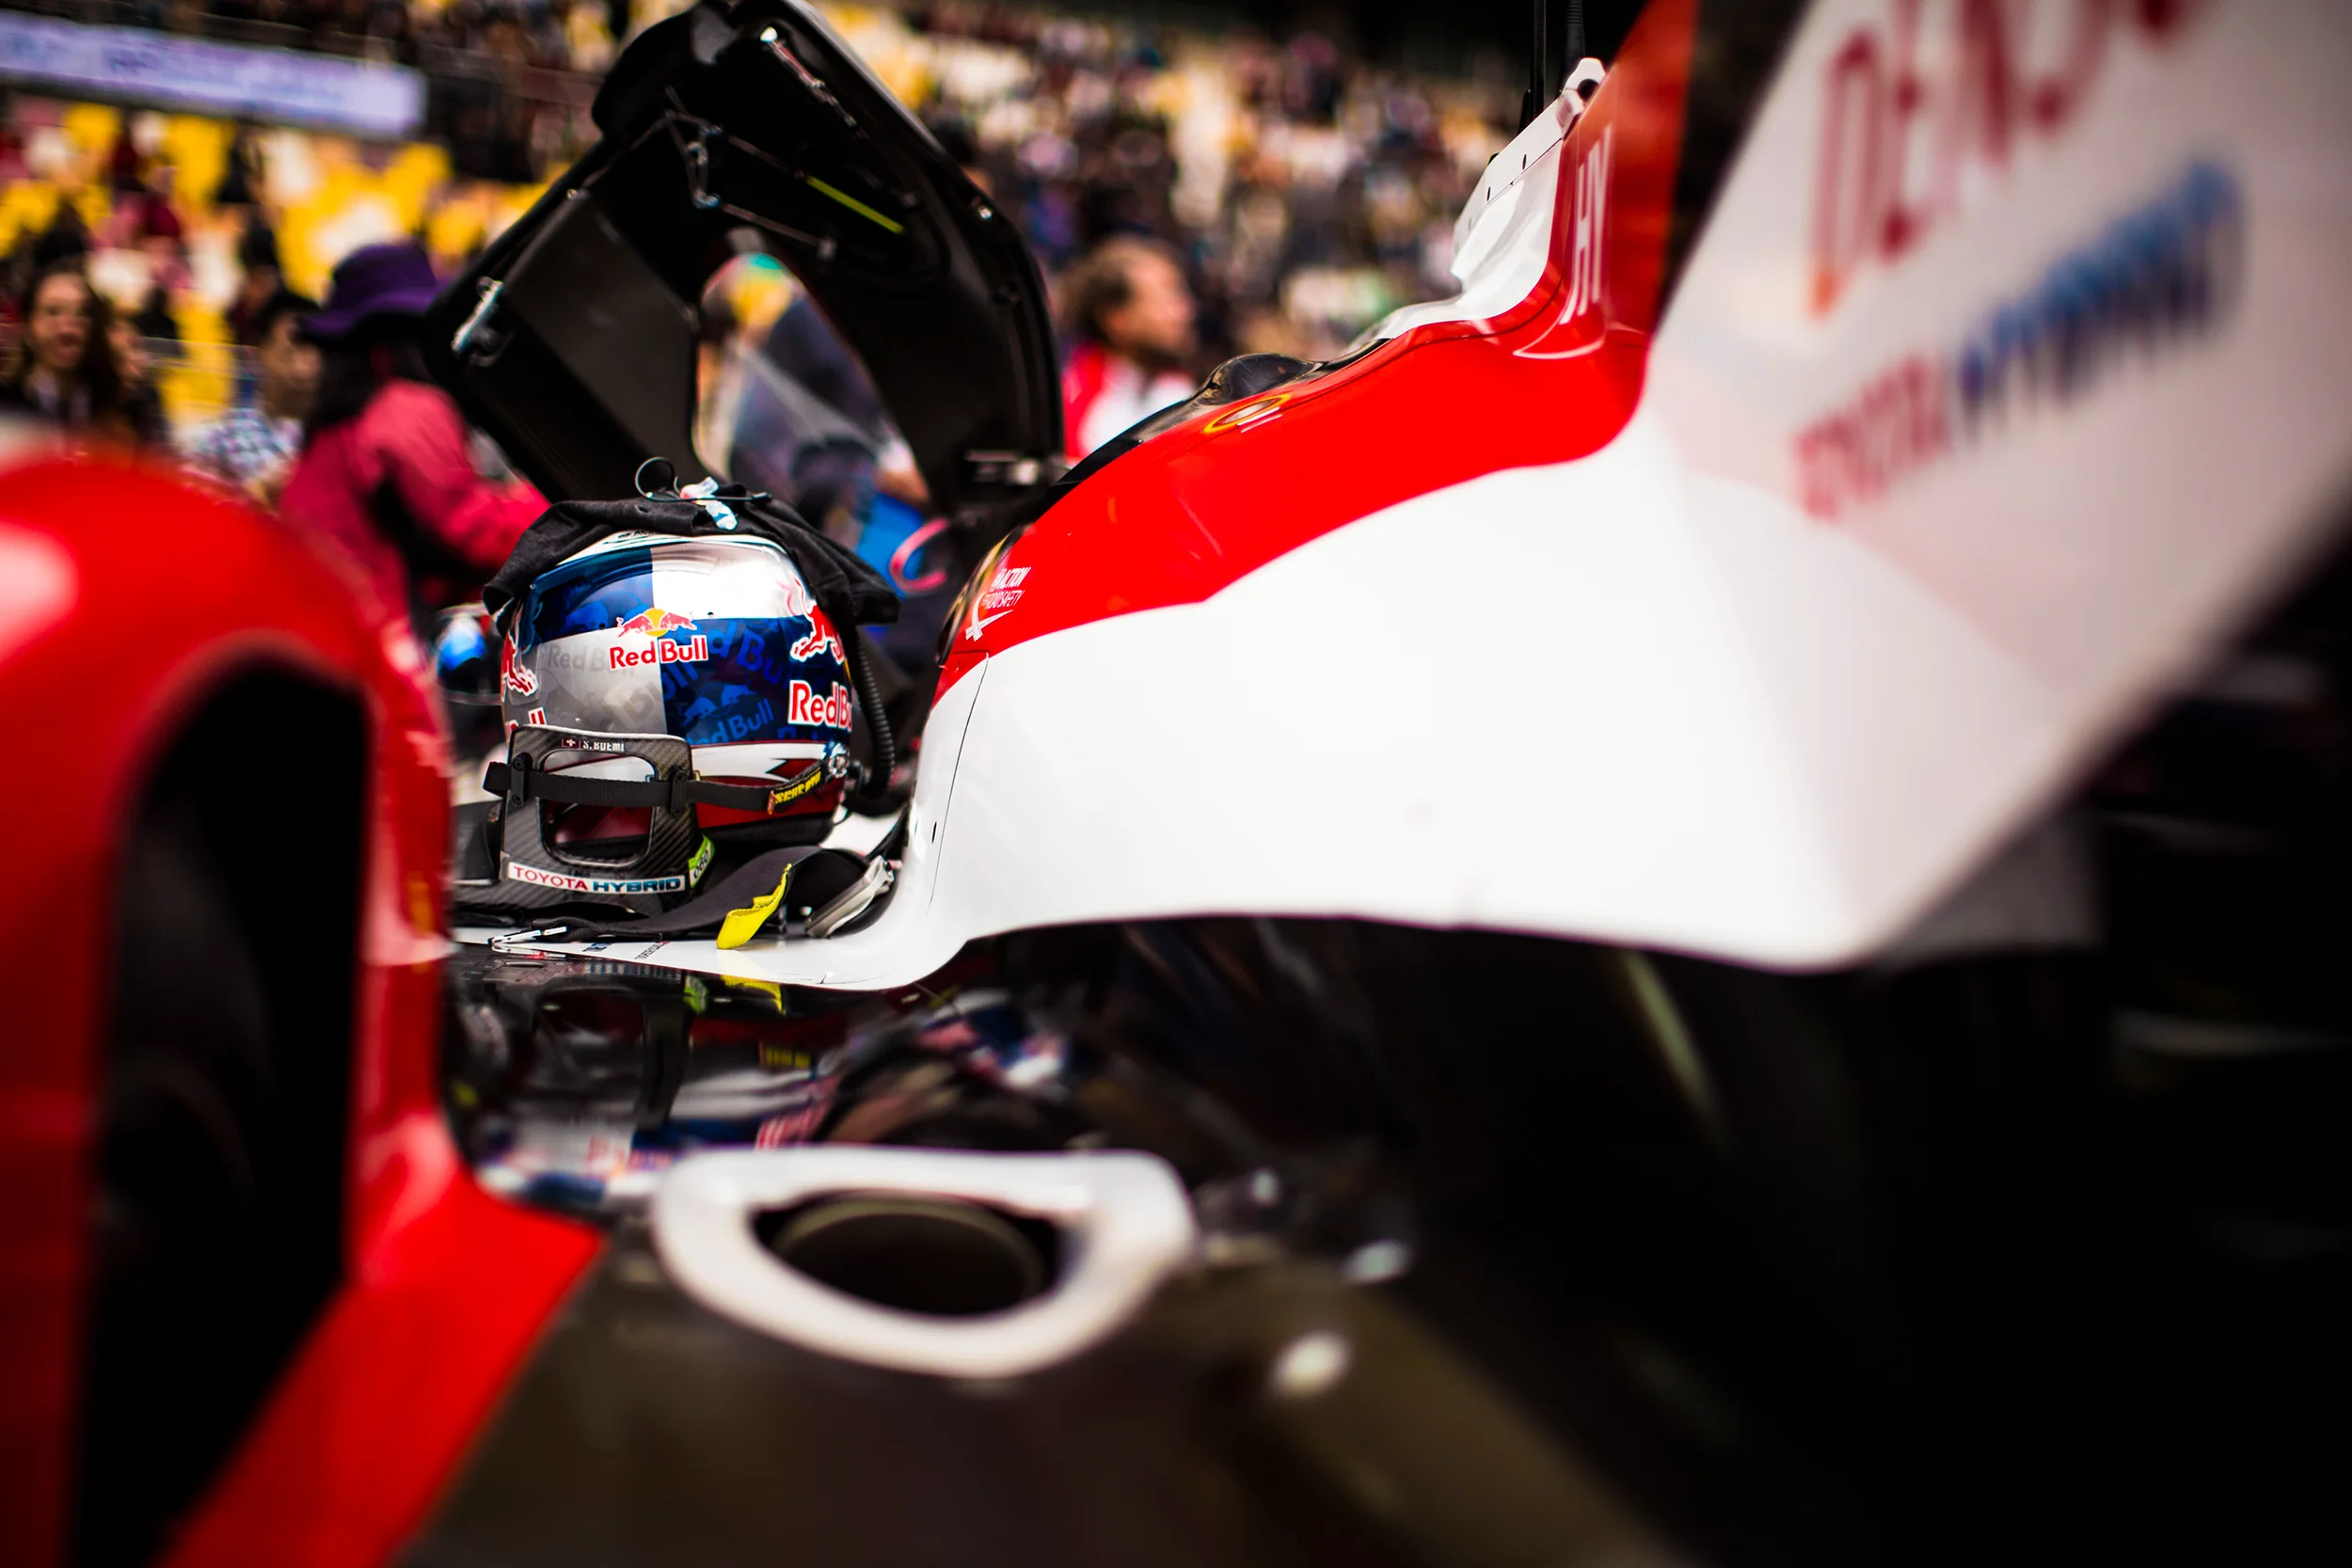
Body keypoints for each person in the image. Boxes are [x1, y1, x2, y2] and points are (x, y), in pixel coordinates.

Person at [279, 244, 543, 628]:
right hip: (382, 633)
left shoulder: (333, 427)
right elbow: (472, 529)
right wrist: (558, 504)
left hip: (328, 627)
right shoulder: (403, 408)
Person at [1058, 235, 1199, 460]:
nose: (1185, 312)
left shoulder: (1175, 386)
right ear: (1117, 319)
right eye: (1166, 298)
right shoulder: (1084, 414)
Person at [0, 261, 165, 447]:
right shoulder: (6, 411)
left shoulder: (122, 411)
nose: (68, 328)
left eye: (83, 313)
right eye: (53, 312)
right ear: (27, 326)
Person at [182, 289, 318, 505]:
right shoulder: (223, 439)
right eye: (289, 352)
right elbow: (192, 512)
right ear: (258, 352)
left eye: (313, 353)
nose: (303, 368)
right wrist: (257, 492)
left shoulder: (340, 439)